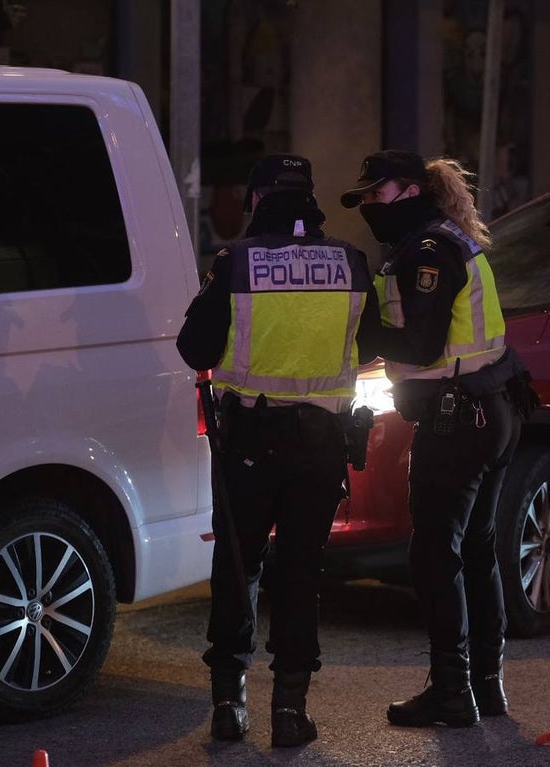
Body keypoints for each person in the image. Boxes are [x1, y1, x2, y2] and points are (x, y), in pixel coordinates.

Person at [177, 153, 380, 748]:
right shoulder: (350, 261)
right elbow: (368, 346)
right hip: (320, 445)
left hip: (249, 443)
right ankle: (290, 712)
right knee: (301, 572)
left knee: (238, 569)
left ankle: (227, 704)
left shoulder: (235, 262)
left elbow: (195, 348)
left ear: (258, 199)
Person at [340, 150, 538, 728]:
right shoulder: (437, 240)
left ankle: (452, 691)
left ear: (408, 191)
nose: (369, 207)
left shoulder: (427, 250)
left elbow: (421, 346)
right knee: (474, 549)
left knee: (434, 553)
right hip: (490, 409)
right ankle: (485, 687)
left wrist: (359, 328)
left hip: (461, 419)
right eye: (364, 198)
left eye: (376, 195)